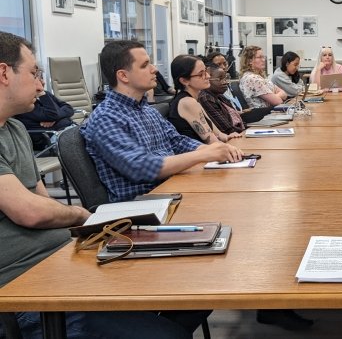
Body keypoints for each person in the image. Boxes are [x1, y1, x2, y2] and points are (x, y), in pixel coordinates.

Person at [0, 32, 206, 339]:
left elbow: (45, 205)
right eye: (34, 74)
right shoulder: (107, 117)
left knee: (198, 289)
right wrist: (81, 216)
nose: (42, 87)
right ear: (4, 73)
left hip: (63, 259)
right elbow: (32, 212)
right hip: (24, 290)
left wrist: (72, 220)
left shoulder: (14, 128)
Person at [81, 40, 243, 203]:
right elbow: (142, 167)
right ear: (123, 76)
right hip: (146, 205)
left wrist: (212, 148)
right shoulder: (106, 118)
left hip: (172, 189)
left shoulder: (146, 109)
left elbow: (176, 141)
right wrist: (203, 154)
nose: (154, 69)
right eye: (145, 65)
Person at [168, 54, 241, 143]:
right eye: (201, 74)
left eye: (206, 71)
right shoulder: (188, 102)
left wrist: (229, 137)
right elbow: (212, 142)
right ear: (184, 80)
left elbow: (219, 135)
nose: (208, 76)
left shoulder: (194, 99)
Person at [14, 75, 74, 152]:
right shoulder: (26, 104)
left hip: (68, 130)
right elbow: (52, 114)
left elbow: (69, 108)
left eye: (41, 78)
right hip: (51, 140)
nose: (43, 82)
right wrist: (41, 94)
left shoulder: (46, 94)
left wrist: (56, 117)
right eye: (38, 79)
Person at [199, 64, 245, 135]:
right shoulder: (206, 99)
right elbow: (228, 129)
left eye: (225, 78)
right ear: (207, 79)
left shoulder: (220, 96)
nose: (225, 82)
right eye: (220, 79)